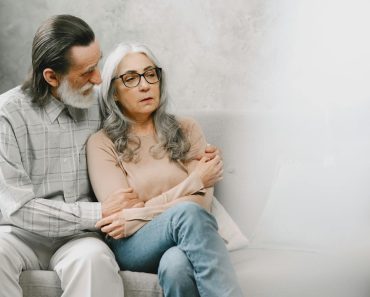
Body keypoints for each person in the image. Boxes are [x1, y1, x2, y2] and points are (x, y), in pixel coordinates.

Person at [0, 15, 220, 297]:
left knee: (94, 262)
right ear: (52, 77)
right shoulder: (7, 114)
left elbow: (145, 129)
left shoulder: (96, 101)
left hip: (80, 238)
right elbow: (16, 208)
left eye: (99, 63)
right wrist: (99, 211)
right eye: (87, 72)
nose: (99, 79)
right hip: (19, 232)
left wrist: (200, 157)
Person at [86, 42, 244, 297]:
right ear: (113, 92)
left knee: (176, 265)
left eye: (150, 74)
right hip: (132, 245)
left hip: (179, 236)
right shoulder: (101, 143)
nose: (145, 84)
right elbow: (122, 217)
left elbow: (200, 206)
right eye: (130, 78)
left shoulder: (187, 128)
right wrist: (192, 182)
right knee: (186, 213)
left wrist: (141, 212)